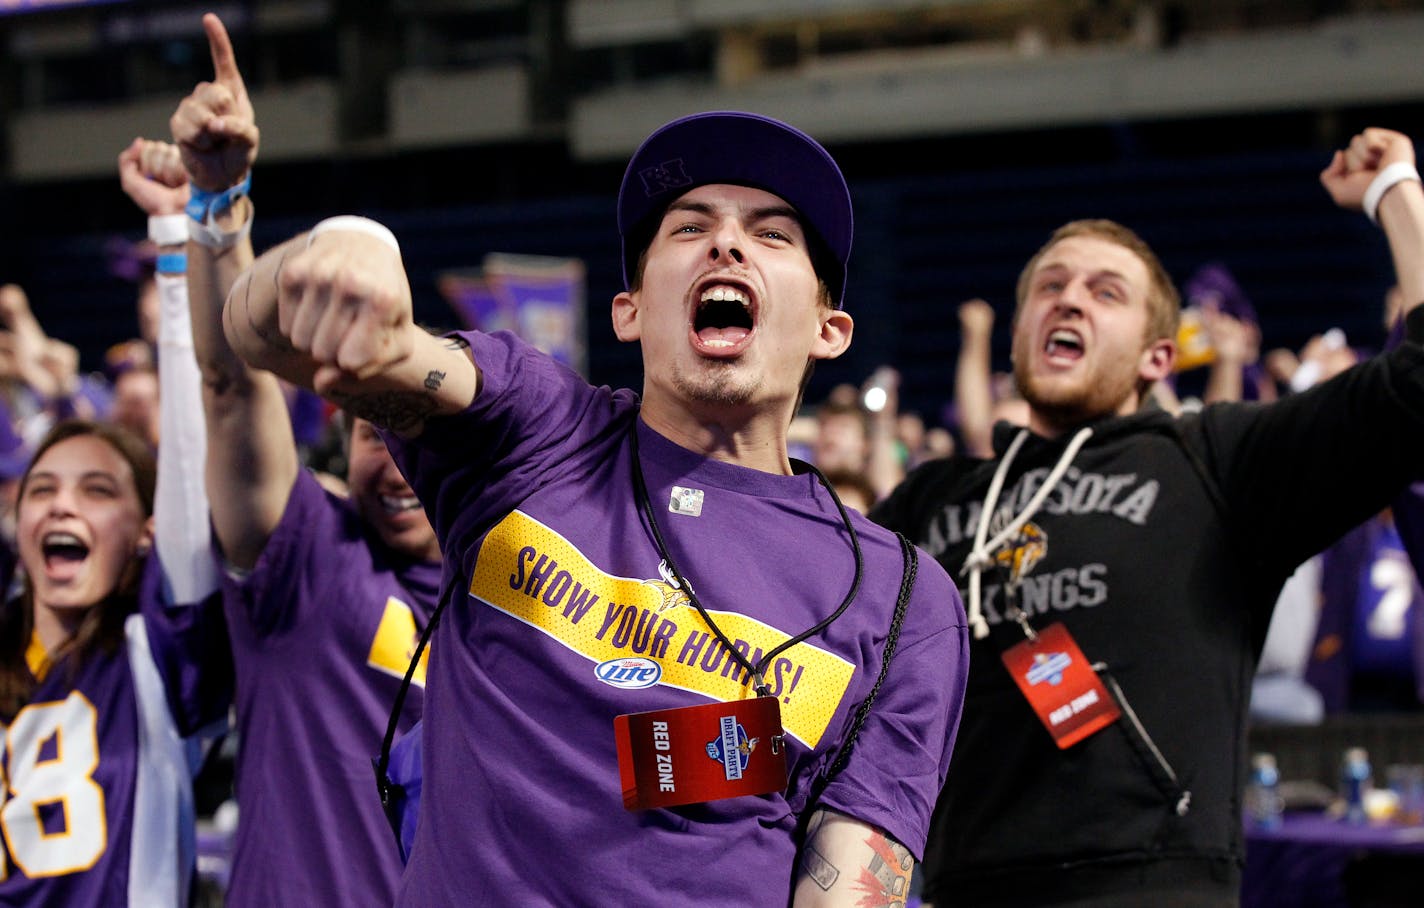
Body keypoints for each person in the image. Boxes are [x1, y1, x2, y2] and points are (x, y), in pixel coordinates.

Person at [218, 92, 969, 902]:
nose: (726, 242)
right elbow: (268, 336)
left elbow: (851, 878)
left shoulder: (902, 600)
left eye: (772, 234)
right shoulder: (536, 435)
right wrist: (339, 258)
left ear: (831, 328)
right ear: (630, 311)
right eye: (688, 227)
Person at [871, 127, 1424, 907]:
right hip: (963, 886)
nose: (1068, 298)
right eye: (1049, 286)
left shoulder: (1217, 460)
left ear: (1157, 357)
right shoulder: (932, 499)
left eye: (1106, 292)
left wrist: (1394, 190)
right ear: (1022, 328)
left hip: (1154, 885)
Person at [170, 16, 442, 906]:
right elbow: (229, 386)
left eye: (425, 438)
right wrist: (216, 209)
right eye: (375, 431)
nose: (398, 460)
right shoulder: (311, 562)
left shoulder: (543, 602)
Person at [0, 136, 230, 906]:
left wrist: (174, 239)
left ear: (145, 531)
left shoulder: (155, 655)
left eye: (98, 490)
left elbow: (189, 467)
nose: (63, 503)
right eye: (44, 490)